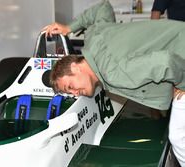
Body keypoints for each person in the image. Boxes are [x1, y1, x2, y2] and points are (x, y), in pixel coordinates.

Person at [42, 0, 185, 166]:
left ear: (75, 67)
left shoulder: (112, 73)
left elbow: (164, 62)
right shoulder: (94, 37)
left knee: (178, 135)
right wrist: (69, 27)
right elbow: (103, 7)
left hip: (181, 59)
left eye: (70, 87)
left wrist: (182, 84)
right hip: (180, 39)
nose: (74, 93)